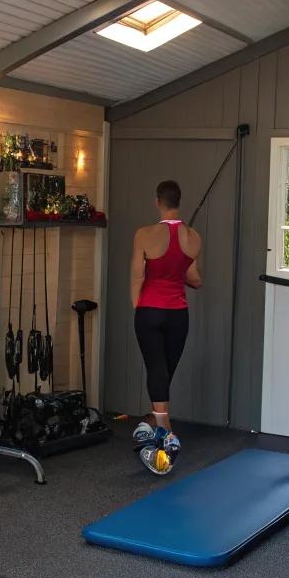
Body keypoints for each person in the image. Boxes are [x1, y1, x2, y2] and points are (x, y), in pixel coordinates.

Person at [130, 179, 202, 467]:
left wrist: (139, 308)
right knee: (164, 371)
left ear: (157, 201)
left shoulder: (144, 234)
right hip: (178, 314)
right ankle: (155, 421)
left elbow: (137, 275)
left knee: (157, 370)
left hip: (150, 310)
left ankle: (166, 432)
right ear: (179, 201)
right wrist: (175, 268)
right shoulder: (194, 237)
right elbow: (195, 280)